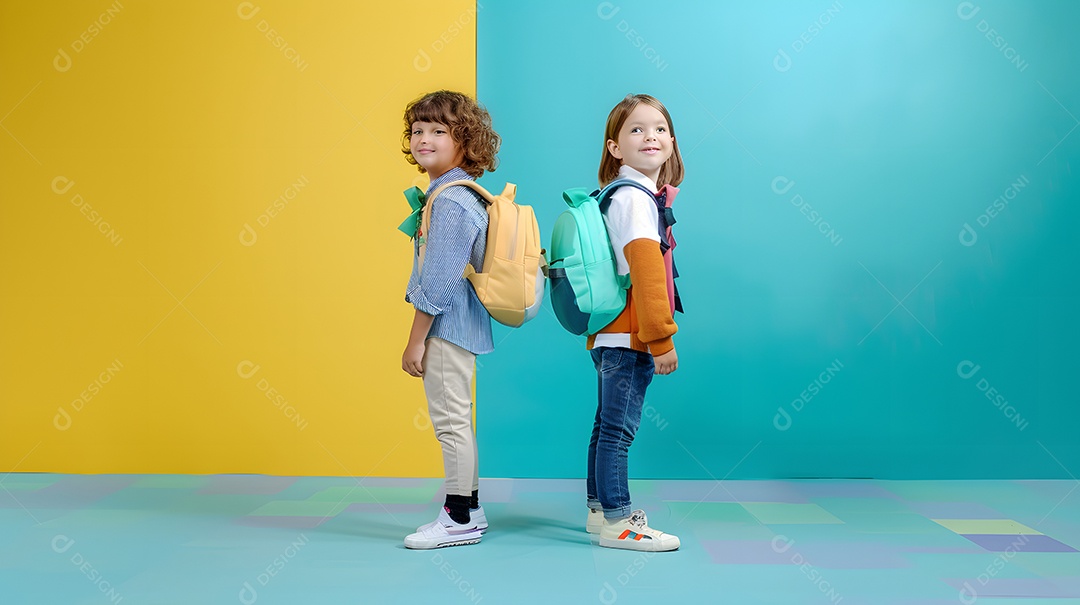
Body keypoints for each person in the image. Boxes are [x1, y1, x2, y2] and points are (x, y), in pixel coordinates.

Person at [399, 90, 500, 549]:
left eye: (439, 131)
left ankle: (458, 517)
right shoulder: (450, 192)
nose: (425, 138)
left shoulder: (453, 200)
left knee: (451, 422)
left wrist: (415, 341)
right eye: (418, 130)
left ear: (466, 141)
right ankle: (469, 508)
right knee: (458, 418)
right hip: (460, 323)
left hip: (447, 326)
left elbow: (437, 284)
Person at [584, 94, 684, 552]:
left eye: (660, 128)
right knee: (618, 431)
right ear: (615, 147)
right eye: (637, 129)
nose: (651, 136)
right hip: (631, 334)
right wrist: (660, 339)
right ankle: (619, 522)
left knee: (606, 425)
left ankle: (599, 511)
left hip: (612, 331)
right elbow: (645, 272)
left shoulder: (623, 195)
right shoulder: (635, 199)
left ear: (671, 143)